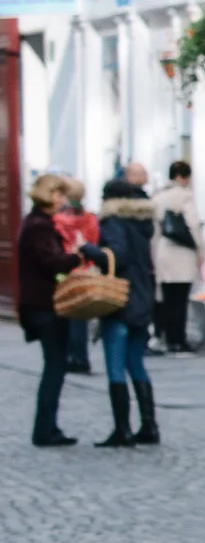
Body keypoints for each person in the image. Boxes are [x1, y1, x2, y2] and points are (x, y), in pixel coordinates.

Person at [92, 174, 163, 446]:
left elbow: (117, 257)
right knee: (136, 363)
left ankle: (122, 429)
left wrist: (87, 249)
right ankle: (149, 426)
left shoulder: (113, 221)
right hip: (142, 298)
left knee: (115, 366)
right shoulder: (142, 223)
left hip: (119, 299)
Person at [17, 173, 85, 446]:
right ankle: (45, 429)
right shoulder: (40, 227)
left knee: (55, 365)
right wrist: (76, 256)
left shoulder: (36, 223)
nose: (63, 200)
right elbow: (52, 262)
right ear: (51, 195)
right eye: (61, 194)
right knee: (55, 366)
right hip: (45, 305)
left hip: (40, 303)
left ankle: (47, 427)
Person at [152, 159, 205, 353]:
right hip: (183, 253)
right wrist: (201, 250)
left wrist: (153, 256)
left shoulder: (158, 197)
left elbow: (154, 231)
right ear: (184, 177)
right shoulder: (186, 197)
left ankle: (169, 338)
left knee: (167, 299)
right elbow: (193, 225)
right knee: (181, 300)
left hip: (163, 252)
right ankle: (179, 340)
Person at [54, 178, 98, 374]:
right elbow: (94, 242)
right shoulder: (90, 218)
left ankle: (70, 355)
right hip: (86, 270)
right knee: (80, 316)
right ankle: (81, 356)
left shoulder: (57, 220)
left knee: (65, 314)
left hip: (65, 270)